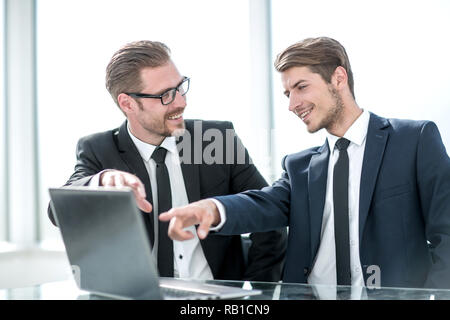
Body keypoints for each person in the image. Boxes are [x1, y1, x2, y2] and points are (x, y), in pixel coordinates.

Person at [160, 37, 450, 289]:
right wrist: (212, 207)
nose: (292, 104)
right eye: (288, 94)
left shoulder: (413, 141)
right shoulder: (300, 167)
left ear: (338, 78)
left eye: (301, 87)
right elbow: (263, 203)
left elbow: (446, 234)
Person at [48, 40, 287, 282]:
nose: (181, 102)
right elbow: (58, 212)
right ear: (127, 103)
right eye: (165, 95)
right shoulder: (99, 149)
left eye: (180, 87)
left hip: (217, 296)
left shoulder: (215, 140)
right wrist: (100, 181)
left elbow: (268, 218)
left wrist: (257, 290)